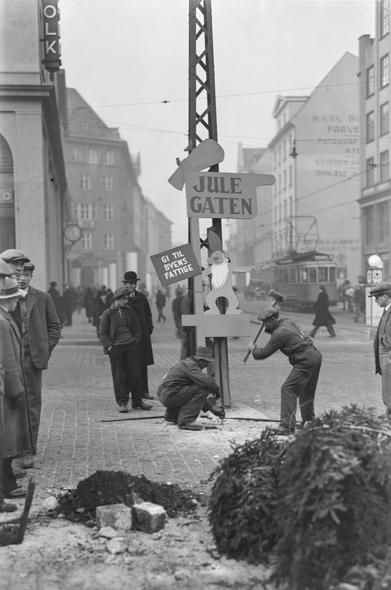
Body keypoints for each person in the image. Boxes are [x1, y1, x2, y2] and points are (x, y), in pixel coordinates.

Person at [0, 253, 61, 469]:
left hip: (33, 360)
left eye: (27, 274)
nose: (23, 278)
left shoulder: (43, 298)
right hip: (11, 359)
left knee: (32, 405)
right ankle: (13, 448)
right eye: (20, 273)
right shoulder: (7, 297)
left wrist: (45, 347)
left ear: (32, 277)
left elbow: (54, 326)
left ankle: (28, 450)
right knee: (13, 402)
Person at [249, 306, 322, 435]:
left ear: (272, 320)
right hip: (315, 356)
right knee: (306, 390)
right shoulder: (288, 322)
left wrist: (253, 349)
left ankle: (287, 426)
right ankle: (309, 421)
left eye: (265, 322)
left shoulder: (279, 334)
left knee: (288, 389)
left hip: (305, 360)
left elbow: (263, 353)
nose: (264, 325)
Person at [0, 274, 33, 505]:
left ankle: (8, 483)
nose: (17, 302)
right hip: (7, 390)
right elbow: (8, 360)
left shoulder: (5, 318)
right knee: (6, 440)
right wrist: (17, 390)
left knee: (8, 441)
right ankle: (5, 488)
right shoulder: (2, 322)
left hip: (8, 387)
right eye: (14, 298)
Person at [98, 285, 152, 413]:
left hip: (130, 347)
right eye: (124, 298)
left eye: (127, 298)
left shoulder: (129, 311)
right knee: (119, 376)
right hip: (116, 349)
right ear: (117, 299)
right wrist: (109, 346)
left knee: (135, 375)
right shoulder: (108, 314)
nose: (126, 301)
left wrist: (136, 341)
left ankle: (137, 401)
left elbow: (136, 328)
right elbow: (102, 332)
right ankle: (122, 403)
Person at [157, 346, 223, 431]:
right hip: (169, 395)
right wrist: (217, 392)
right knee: (204, 388)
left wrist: (211, 407)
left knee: (195, 388)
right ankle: (185, 422)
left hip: (168, 394)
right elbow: (208, 382)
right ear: (201, 361)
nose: (207, 365)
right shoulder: (191, 366)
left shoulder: (188, 364)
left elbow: (192, 395)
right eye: (207, 362)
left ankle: (172, 417)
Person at [122, 271, 154, 400]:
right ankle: (129, 392)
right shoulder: (122, 299)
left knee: (142, 365)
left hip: (143, 338)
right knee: (129, 365)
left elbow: (148, 314)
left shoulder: (142, 298)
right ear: (125, 285)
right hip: (129, 338)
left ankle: (144, 392)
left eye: (134, 283)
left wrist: (148, 329)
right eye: (130, 284)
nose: (132, 286)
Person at [369, 281, 391, 421]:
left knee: (389, 386)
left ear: (386, 296)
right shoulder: (387, 310)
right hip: (385, 356)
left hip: (389, 355)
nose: (376, 301)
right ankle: (389, 411)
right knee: (387, 386)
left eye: (377, 297)